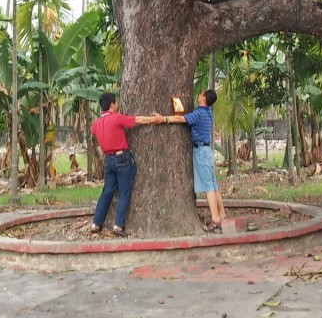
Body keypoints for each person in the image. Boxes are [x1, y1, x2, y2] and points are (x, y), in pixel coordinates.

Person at [90, 92, 163, 236]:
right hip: (121, 158)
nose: (117, 105)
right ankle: (118, 225)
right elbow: (137, 120)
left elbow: (92, 131)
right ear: (112, 105)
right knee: (124, 191)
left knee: (107, 191)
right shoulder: (116, 118)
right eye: (116, 103)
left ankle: (96, 223)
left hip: (108, 160)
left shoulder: (96, 123)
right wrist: (154, 119)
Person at [166, 89, 226, 232]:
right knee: (214, 185)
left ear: (204, 99)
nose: (198, 95)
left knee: (208, 187)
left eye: (201, 94)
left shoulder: (199, 113)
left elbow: (182, 119)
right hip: (207, 151)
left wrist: (164, 119)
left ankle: (215, 219)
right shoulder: (208, 113)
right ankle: (222, 215)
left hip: (201, 152)